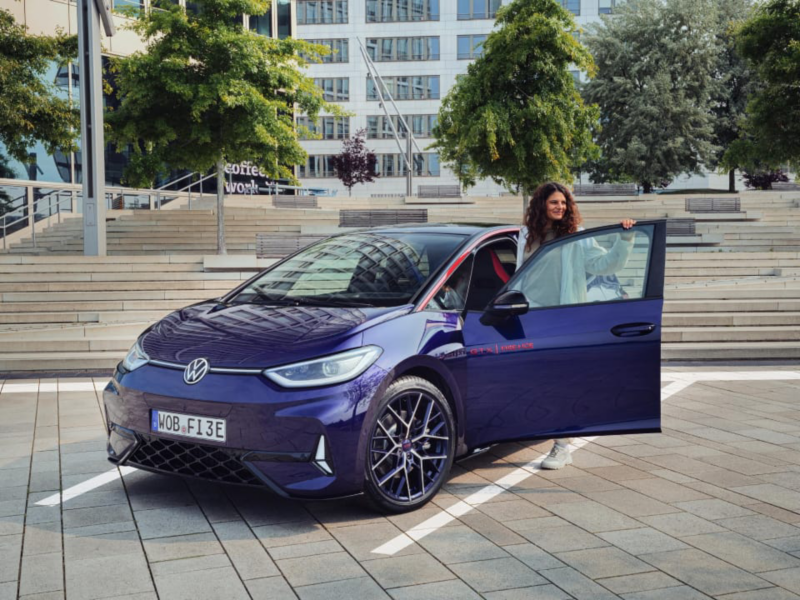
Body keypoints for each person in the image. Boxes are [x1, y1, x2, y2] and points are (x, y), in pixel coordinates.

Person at [515, 181, 637, 469]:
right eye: (554, 202)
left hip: (565, 318)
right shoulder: (526, 235)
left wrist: (625, 238)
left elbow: (604, 265)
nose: (560, 207)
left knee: (561, 382)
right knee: (539, 383)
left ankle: (561, 447)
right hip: (532, 318)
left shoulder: (576, 236)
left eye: (563, 202)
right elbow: (519, 275)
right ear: (542, 205)